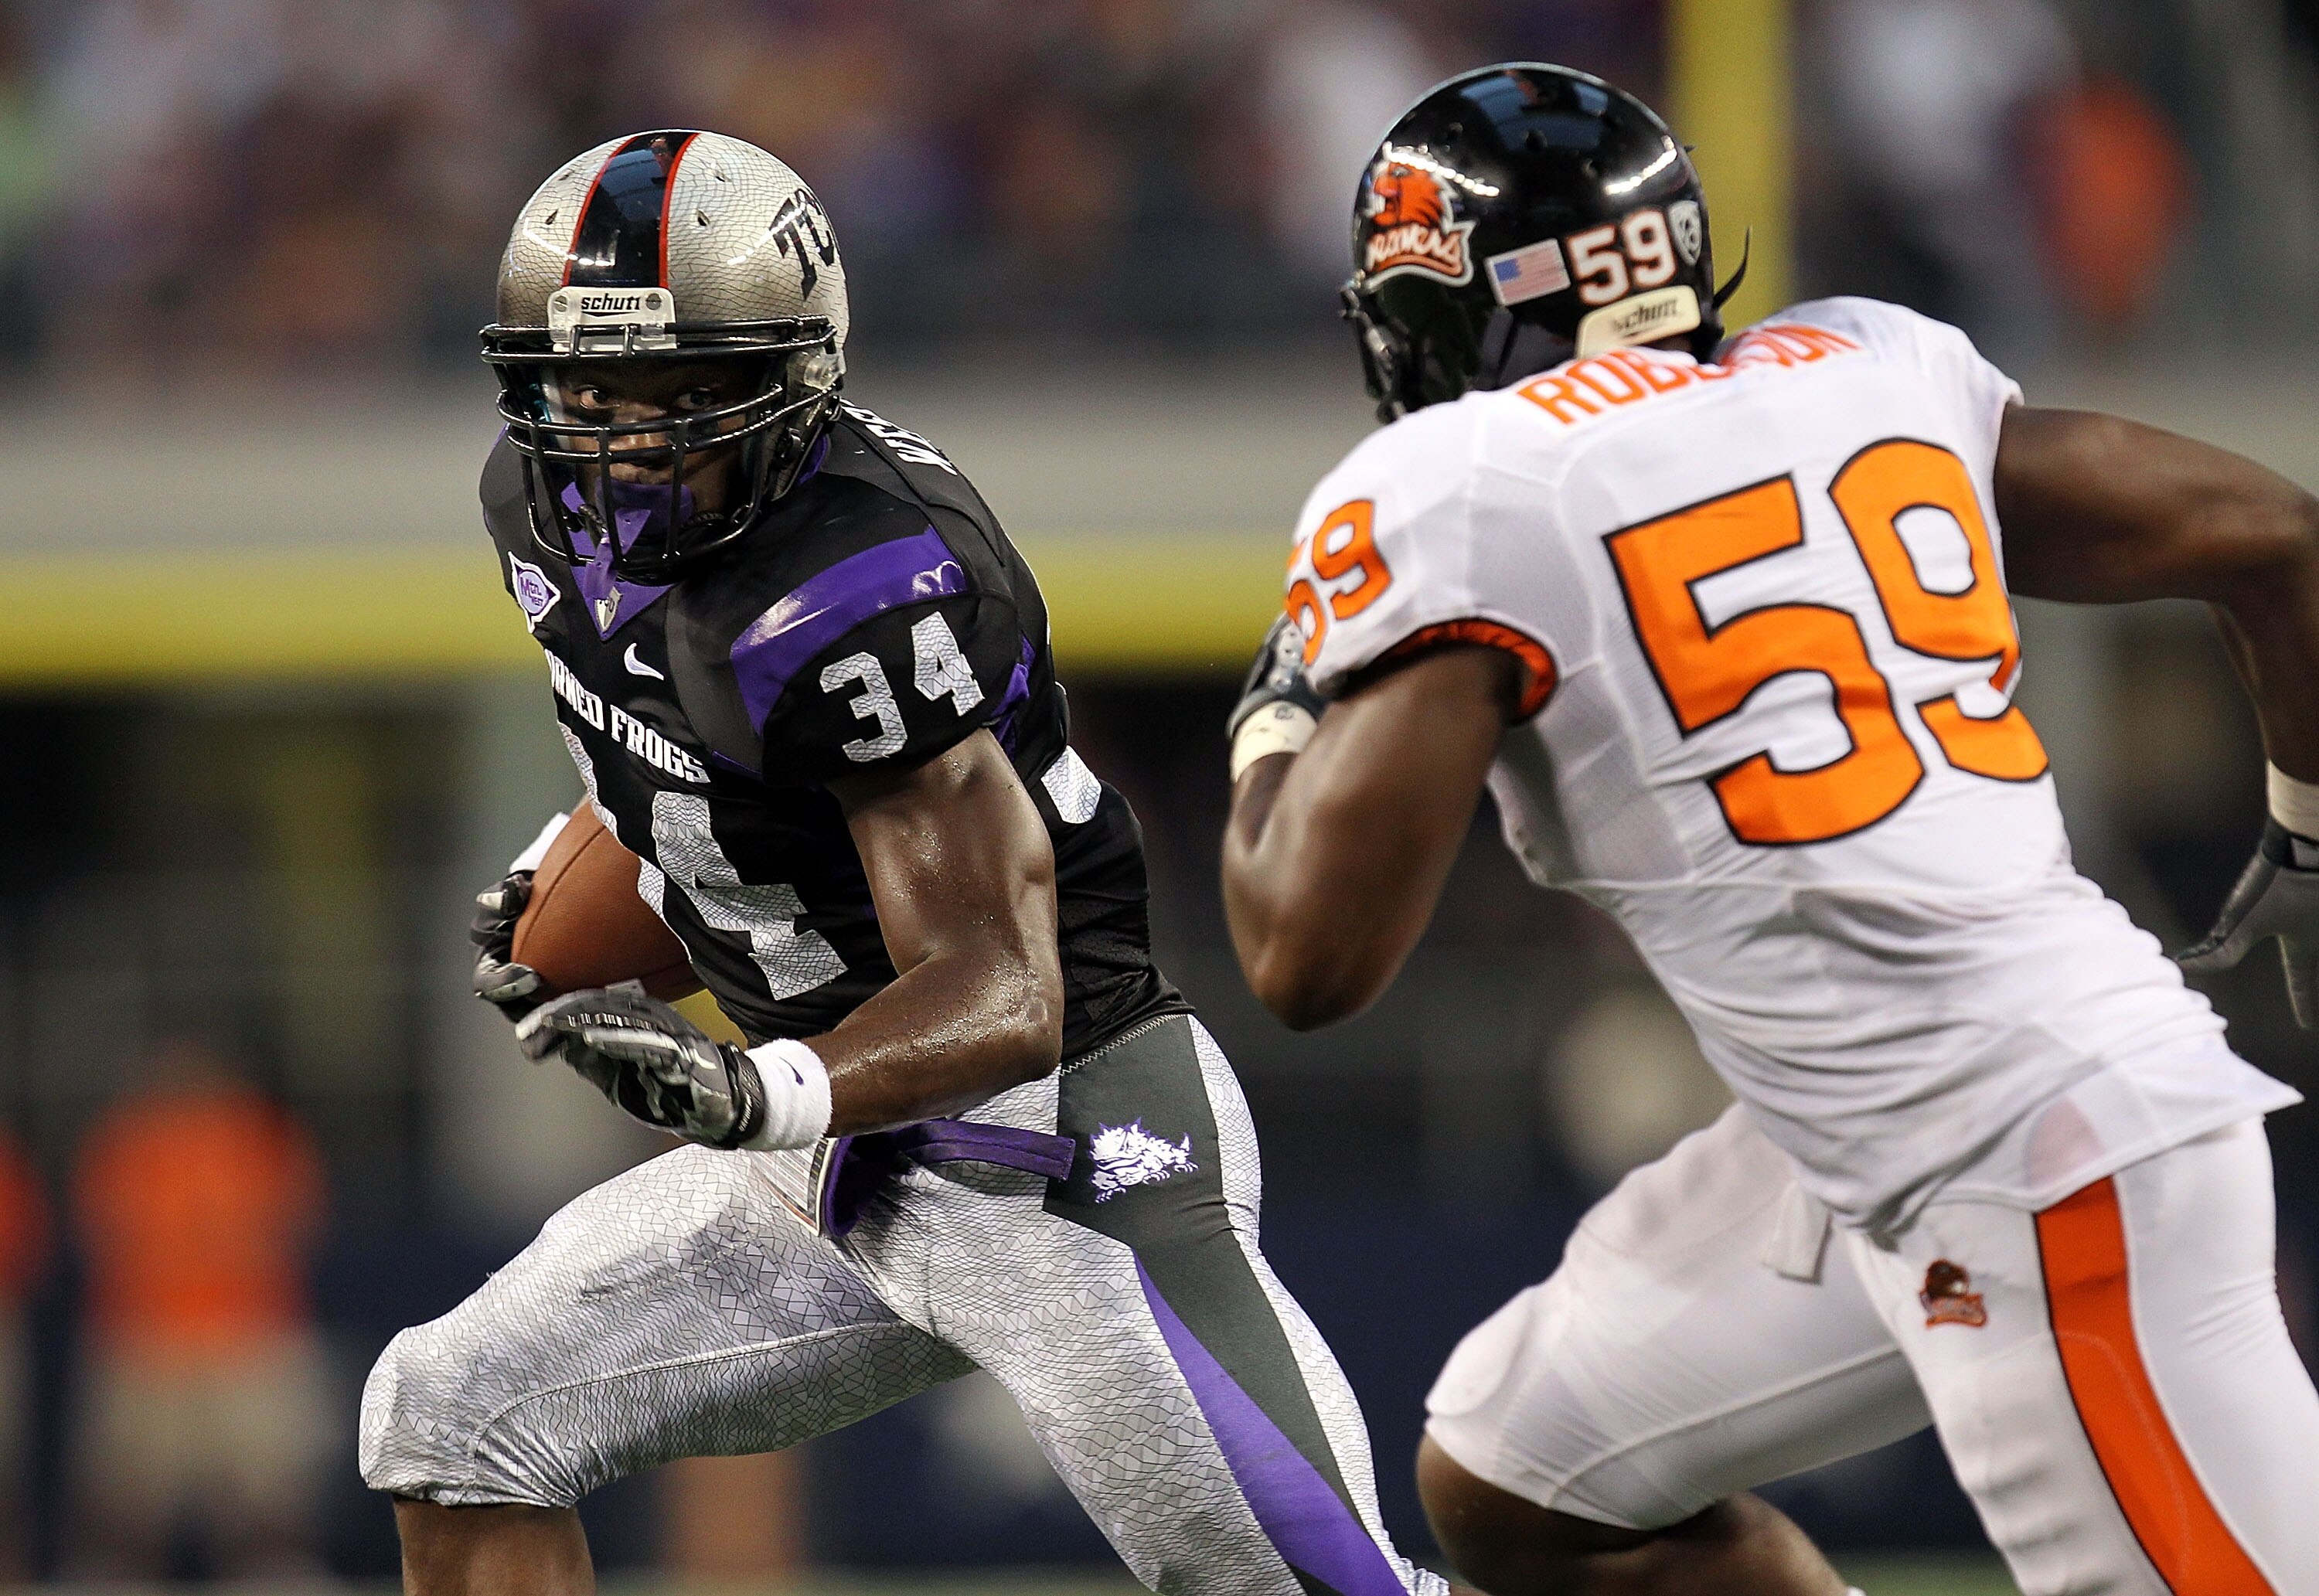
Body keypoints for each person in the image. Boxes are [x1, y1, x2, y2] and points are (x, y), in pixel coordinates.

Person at [1221, 63, 2319, 1596]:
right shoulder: (1864, 363)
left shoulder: (1462, 483)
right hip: (1894, 1127)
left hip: (2033, 1154)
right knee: (1519, 1475)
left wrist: (1277, 715)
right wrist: (2314, 848)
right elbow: (2278, 537)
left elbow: (1301, 958)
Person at [356, 129, 1443, 1596]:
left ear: (802, 369)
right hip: (832, 1161)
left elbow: (1006, 986)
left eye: (687, 395)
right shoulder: (538, 505)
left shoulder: (857, 580)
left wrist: (757, 1086)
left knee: (1319, 1593)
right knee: (448, 1413)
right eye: (593, 394)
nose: (630, 443)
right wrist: (596, 845)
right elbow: (720, 786)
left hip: (1052, 1147)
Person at [70, 1040, 329, 1577]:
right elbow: (108, 1234)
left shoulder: (257, 1135)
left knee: (266, 1501)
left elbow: (291, 1228)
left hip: (248, 1335)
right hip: (147, 1338)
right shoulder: (129, 1140)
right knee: (128, 1504)